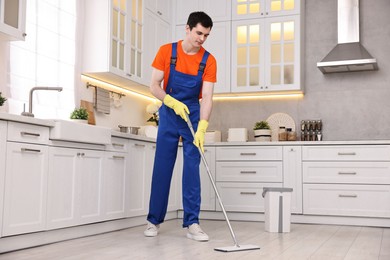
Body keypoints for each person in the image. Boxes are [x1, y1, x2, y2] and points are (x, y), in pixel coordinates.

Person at [144, 11, 216, 242]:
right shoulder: (167, 51)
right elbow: (154, 85)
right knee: (162, 167)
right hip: (169, 112)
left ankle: (193, 223)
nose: (201, 39)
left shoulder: (209, 60)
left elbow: (207, 96)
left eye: (206, 35)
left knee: (192, 170)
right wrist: (170, 101)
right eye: (198, 33)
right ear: (187, 28)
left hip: (193, 116)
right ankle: (153, 220)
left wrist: (203, 126)